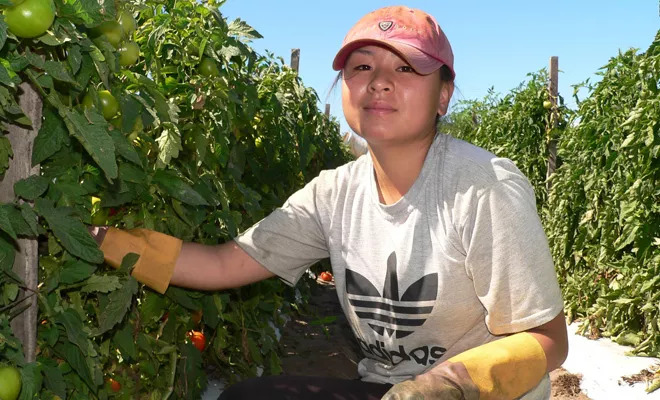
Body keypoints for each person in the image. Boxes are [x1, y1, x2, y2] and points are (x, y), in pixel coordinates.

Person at [90, 6, 568, 399]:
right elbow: (222, 263)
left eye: (405, 67)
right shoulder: (333, 193)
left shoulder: (483, 187)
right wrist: (96, 240)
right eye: (362, 67)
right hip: (385, 390)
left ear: (443, 96)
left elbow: (548, 340)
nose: (379, 81)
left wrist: (450, 385)